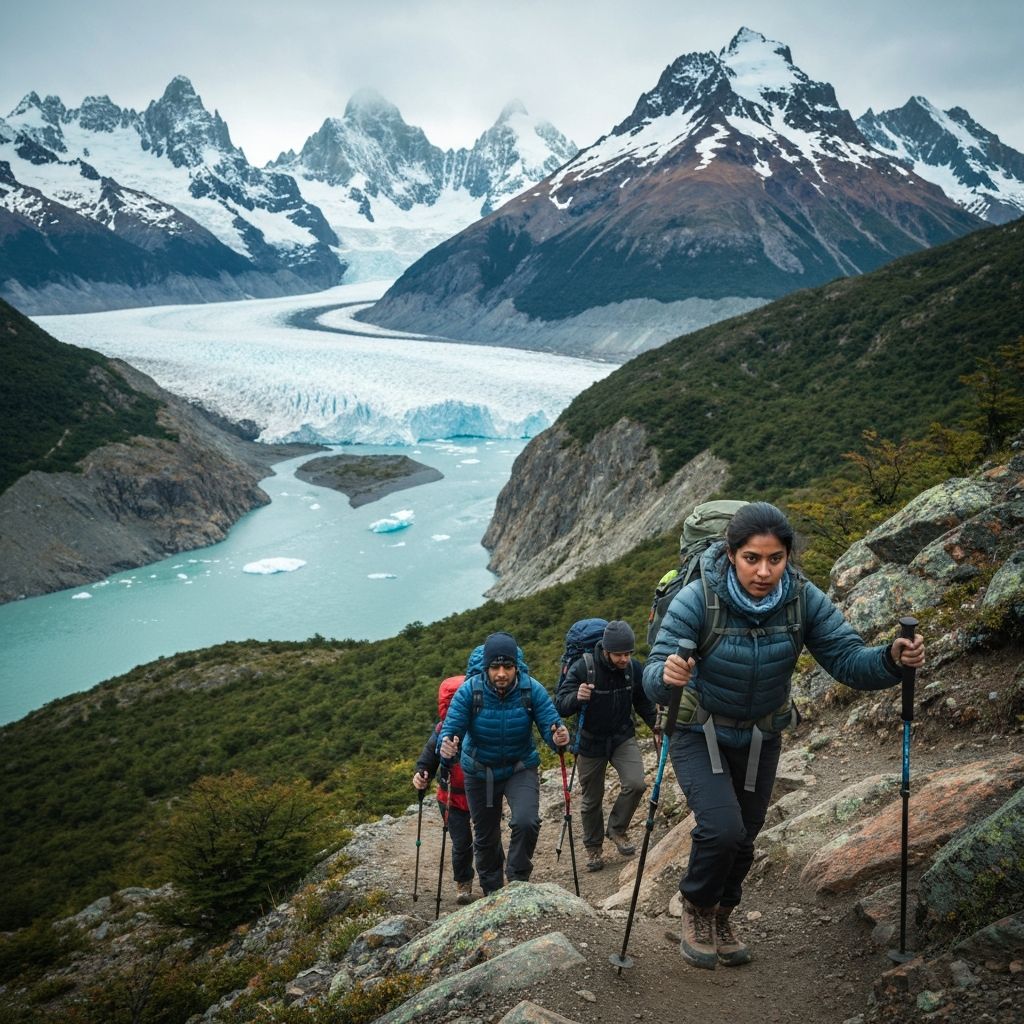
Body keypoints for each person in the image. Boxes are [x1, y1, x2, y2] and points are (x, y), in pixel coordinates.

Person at [643, 501, 924, 971]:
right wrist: (666, 674)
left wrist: (892, 660)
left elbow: (848, 660)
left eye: (775, 559)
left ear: (788, 557)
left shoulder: (802, 599)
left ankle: (723, 913)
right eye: (752, 558)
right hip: (699, 730)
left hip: (760, 736)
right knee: (721, 828)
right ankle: (696, 907)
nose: (764, 571)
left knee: (747, 836)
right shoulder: (698, 598)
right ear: (731, 554)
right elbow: (654, 672)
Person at [439, 631, 570, 896]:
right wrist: (447, 747)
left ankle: (518, 879)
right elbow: (451, 729)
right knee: (486, 837)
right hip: (480, 771)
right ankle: (493, 891)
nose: (501, 673)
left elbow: (551, 725)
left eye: (507, 667)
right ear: (486, 668)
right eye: (495, 667)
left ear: (516, 667)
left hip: (519, 768)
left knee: (526, 821)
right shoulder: (469, 692)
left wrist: (559, 737)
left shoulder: (531, 689)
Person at [555, 619, 660, 872]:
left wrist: (656, 726)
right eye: (619, 654)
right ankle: (593, 848)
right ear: (605, 650)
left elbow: (643, 702)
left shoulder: (633, 669)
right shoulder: (584, 668)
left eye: (628, 653)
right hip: (590, 741)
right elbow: (560, 703)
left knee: (636, 784)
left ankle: (617, 829)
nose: (624, 658)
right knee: (592, 799)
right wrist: (576, 697)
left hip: (622, 736)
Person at [413, 674, 474, 905]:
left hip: (478, 796)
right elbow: (427, 761)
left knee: (487, 840)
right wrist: (421, 776)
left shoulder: (481, 729)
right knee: (462, 843)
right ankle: (464, 883)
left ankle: (492, 881)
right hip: (450, 798)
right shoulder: (441, 731)